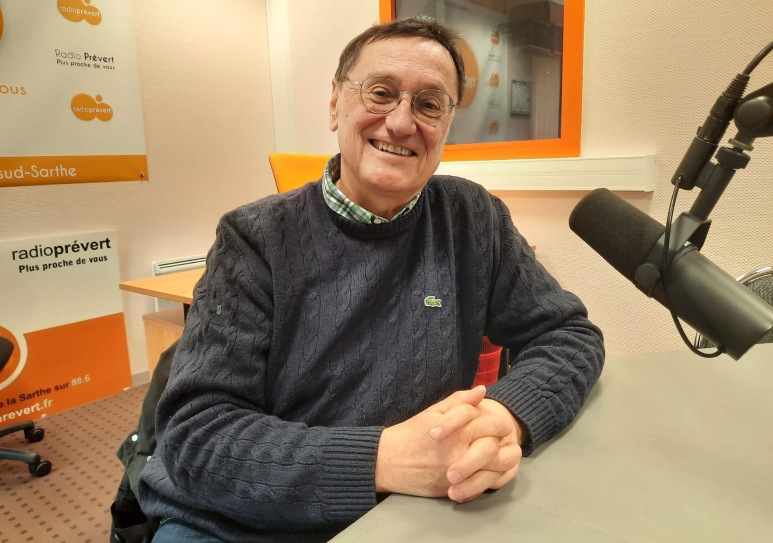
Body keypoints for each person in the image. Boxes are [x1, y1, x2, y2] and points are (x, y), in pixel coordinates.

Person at [137, 17, 604, 543]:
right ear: (335, 102)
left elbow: (569, 335)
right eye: (381, 93)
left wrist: (505, 414)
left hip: (407, 511)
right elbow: (198, 437)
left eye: (430, 104)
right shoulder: (255, 238)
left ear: (448, 124)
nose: (401, 122)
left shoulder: (472, 218)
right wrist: (384, 460)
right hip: (240, 521)